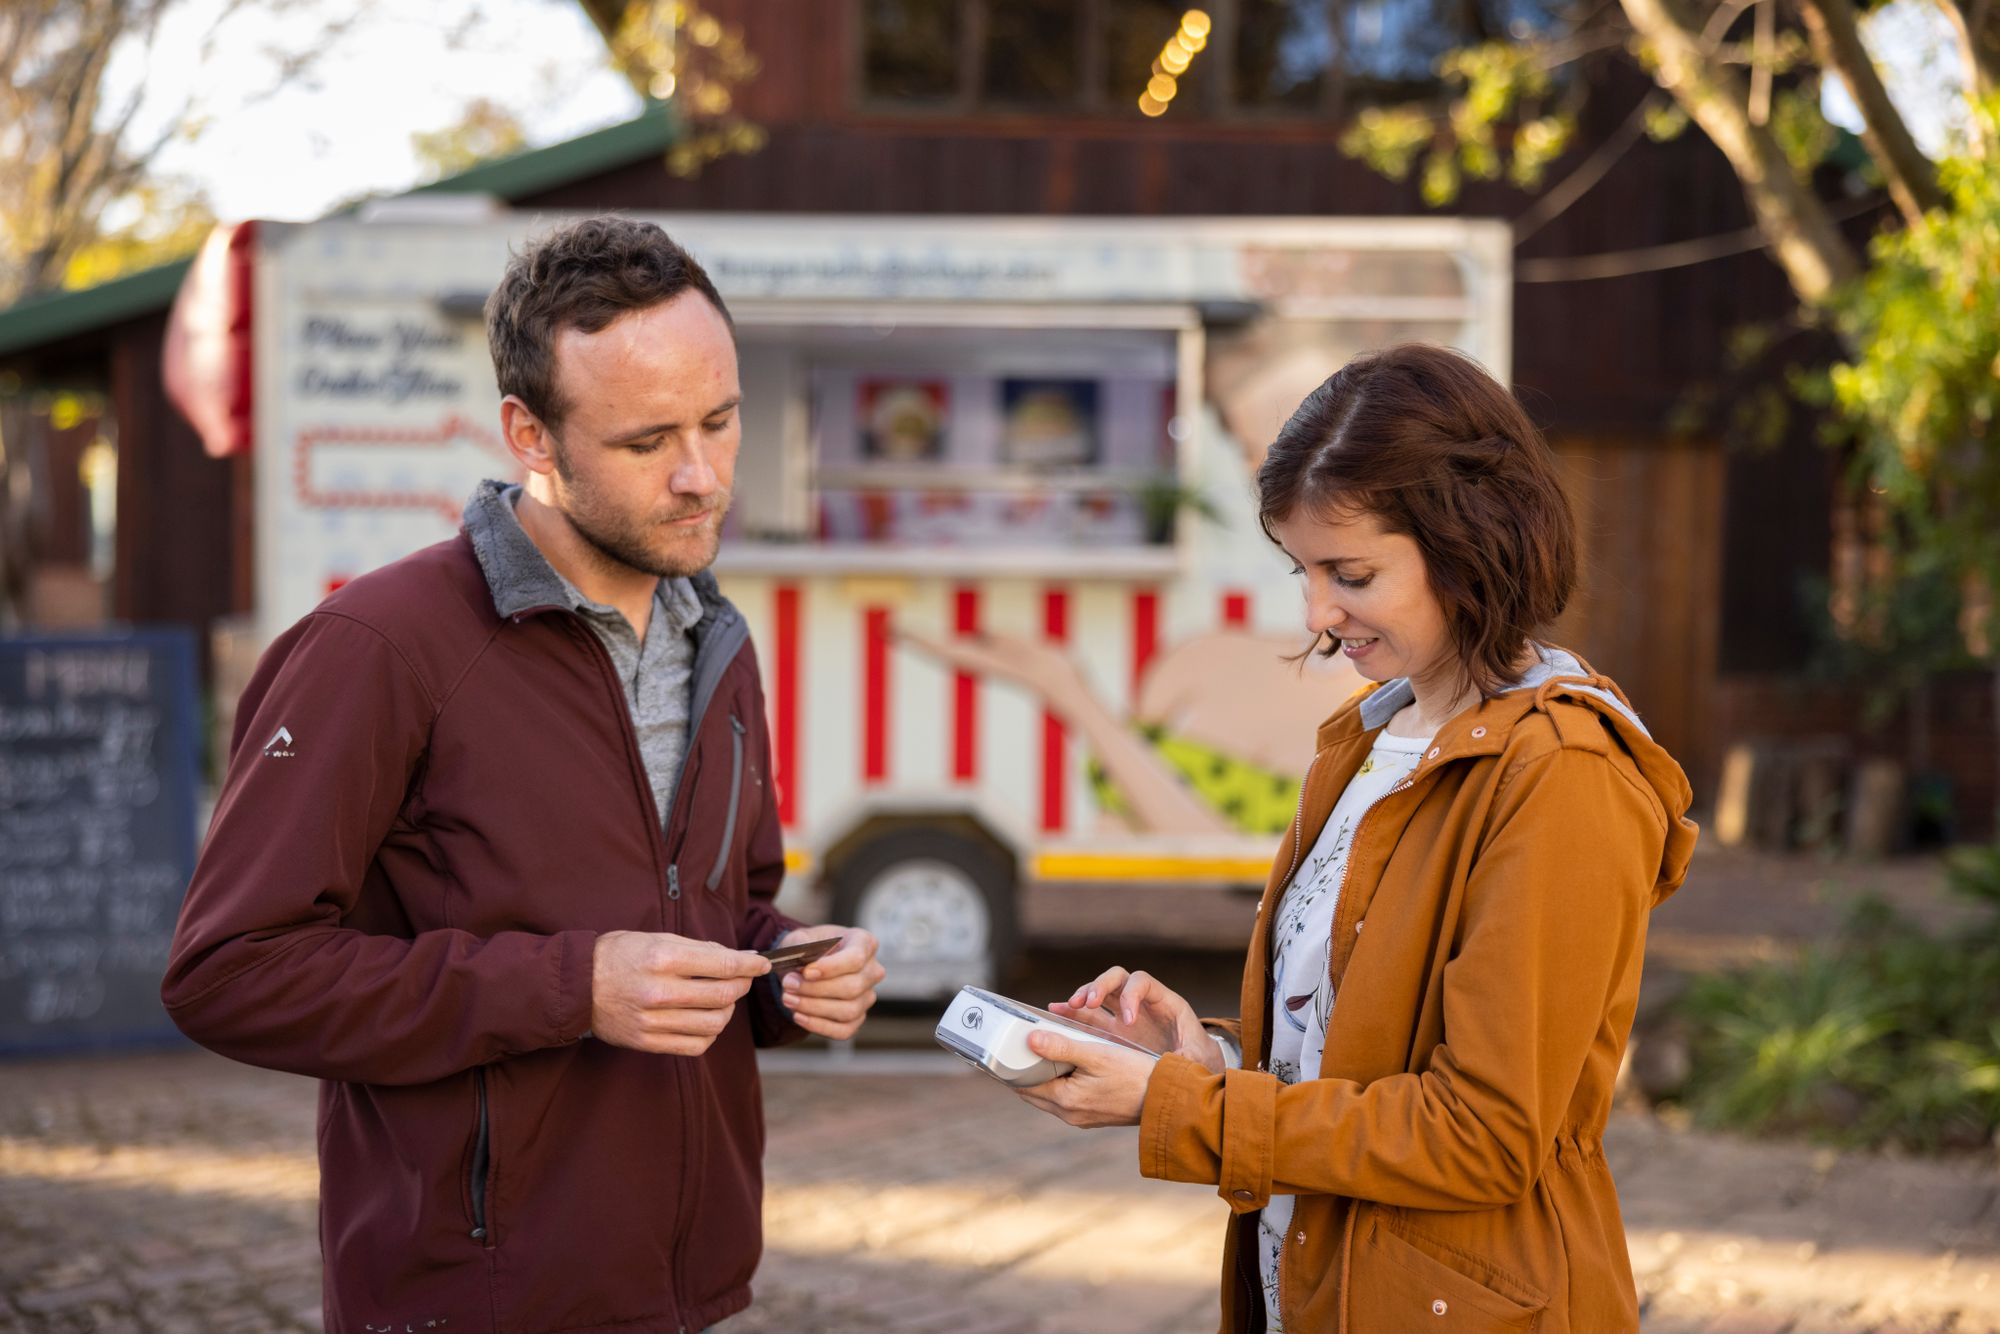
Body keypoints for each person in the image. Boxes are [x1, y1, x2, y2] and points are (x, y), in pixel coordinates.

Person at [162, 216, 884, 1334]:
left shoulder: (714, 639)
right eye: (648, 441)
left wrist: (788, 967)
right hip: (474, 1297)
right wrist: (570, 987)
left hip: (684, 1288)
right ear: (528, 434)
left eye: (720, 419)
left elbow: (719, 906)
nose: (702, 477)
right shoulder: (378, 647)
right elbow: (227, 971)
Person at [1012, 343, 1698, 1332]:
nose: (1316, 614)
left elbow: (1482, 1135)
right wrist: (1210, 1060)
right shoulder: (1371, 733)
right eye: (1302, 570)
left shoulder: (1561, 773)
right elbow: (1358, 1061)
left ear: (1469, 542)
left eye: (1352, 573)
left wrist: (1180, 1109)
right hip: (1319, 1277)